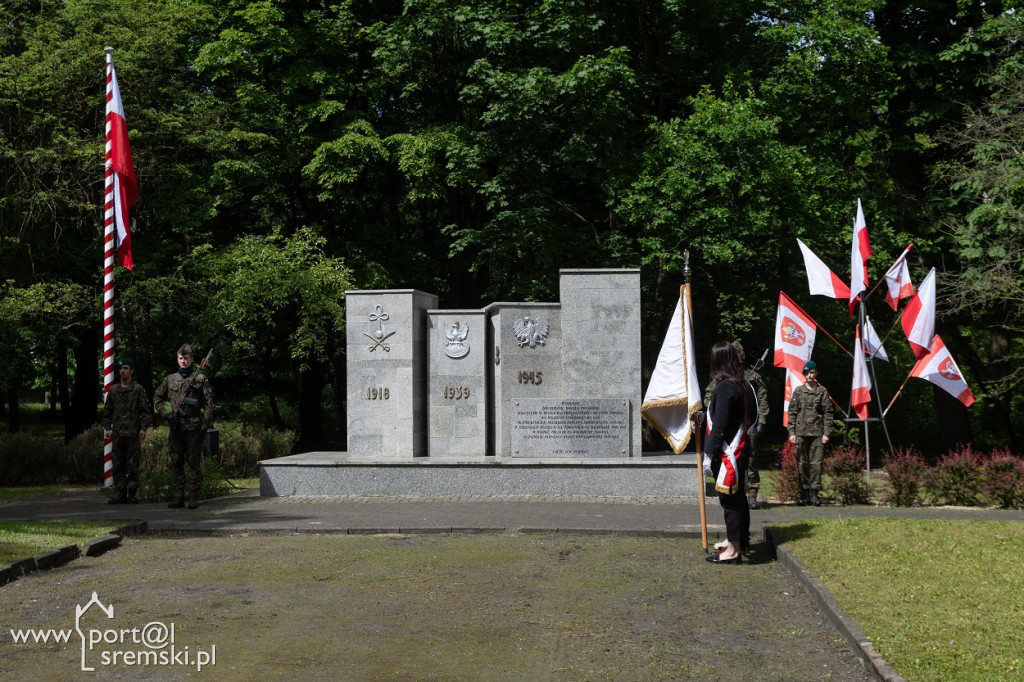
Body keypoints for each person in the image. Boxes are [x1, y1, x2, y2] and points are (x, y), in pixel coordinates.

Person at [702, 340, 757, 565]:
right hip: (739, 452)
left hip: (728, 454)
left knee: (731, 502)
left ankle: (732, 551)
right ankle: (739, 542)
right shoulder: (743, 383)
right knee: (738, 500)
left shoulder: (726, 387)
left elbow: (721, 425)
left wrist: (709, 452)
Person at [703, 341, 768, 509]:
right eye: (735, 354)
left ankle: (752, 493)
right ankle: (735, 491)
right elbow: (709, 397)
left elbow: (761, 400)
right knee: (732, 459)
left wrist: (761, 421)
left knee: (750, 461)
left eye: (740, 354)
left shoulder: (752, 376)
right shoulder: (722, 378)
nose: (738, 357)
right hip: (729, 428)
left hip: (747, 425)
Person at [153, 344, 213, 509]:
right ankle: (178, 496)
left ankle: (193, 496)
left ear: (192, 359)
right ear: (177, 359)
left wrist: (205, 424)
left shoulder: (200, 379)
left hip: (194, 427)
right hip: (176, 427)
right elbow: (157, 397)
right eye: (181, 358)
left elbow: (209, 403)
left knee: (193, 461)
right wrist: (166, 415)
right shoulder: (170, 379)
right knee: (176, 461)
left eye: (186, 358)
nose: (184, 361)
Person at [101, 357, 153, 504]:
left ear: (131, 371)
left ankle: (132, 493)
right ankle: (121, 493)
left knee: (133, 465)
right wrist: (107, 427)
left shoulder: (138, 389)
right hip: (118, 434)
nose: (122, 371)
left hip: (133, 434)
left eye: (125, 368)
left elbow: (145, 411)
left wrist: (143, 428)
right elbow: (108, 411)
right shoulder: (113, 390)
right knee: (118, 464)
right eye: (120, 369)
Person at [787, 360, 832, 506]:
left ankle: (814, 494)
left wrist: (827, 433)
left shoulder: (822, 391)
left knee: (816, 464)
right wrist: (791, 432)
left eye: (812, 372)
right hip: (800, 433)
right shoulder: (799, 391)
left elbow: (828, 413)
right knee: (802, 463)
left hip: (817, 433)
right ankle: (804, 493)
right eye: (806, 373)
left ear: (816, 373)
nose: (809, 375)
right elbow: (792, 413)